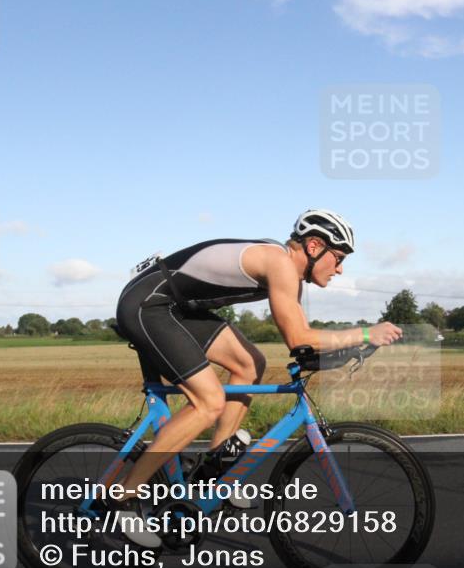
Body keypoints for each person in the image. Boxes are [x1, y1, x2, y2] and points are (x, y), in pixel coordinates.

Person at [111, 209, 403, 546]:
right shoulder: (279, 263)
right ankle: (122, 497)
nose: (339, 268)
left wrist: (343, 349)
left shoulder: (286, 271)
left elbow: (302, 342)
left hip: (176, 308)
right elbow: (299, 337)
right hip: (149, 305)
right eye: (337, 258)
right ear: (313, 246)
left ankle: (215, 469)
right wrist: (366, 334)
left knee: (250, 364)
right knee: (209, 402)